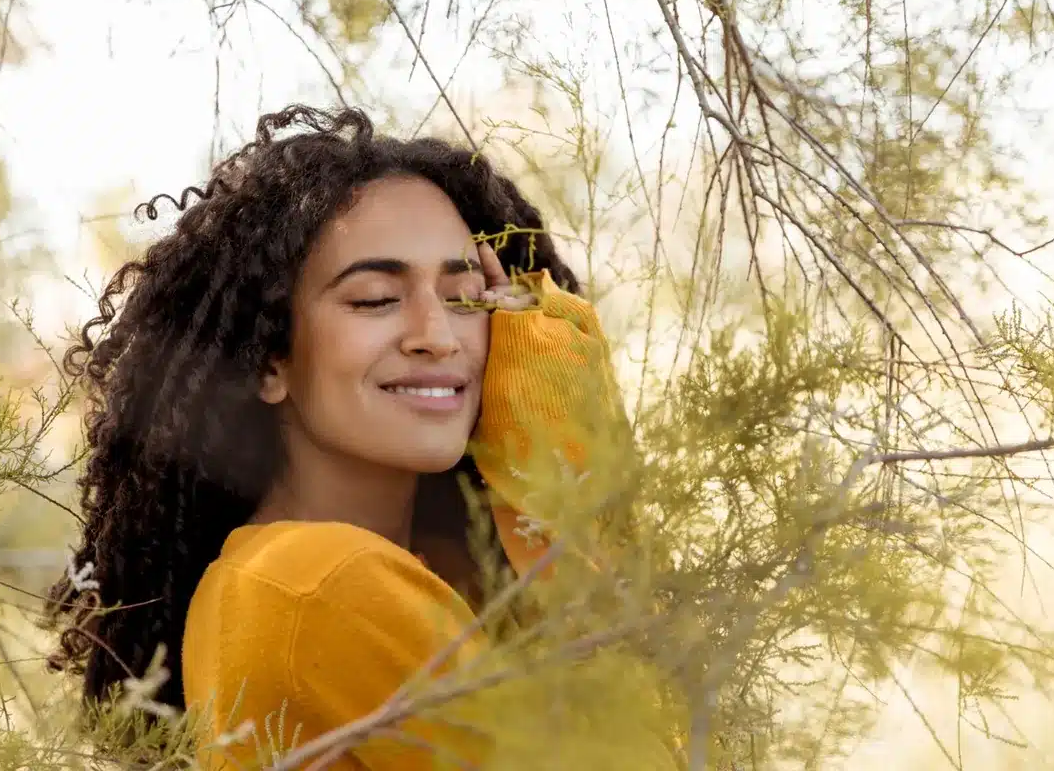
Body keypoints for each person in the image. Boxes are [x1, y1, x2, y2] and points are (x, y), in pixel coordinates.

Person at [42, 105, 627, 769]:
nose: (437, 335)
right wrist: (556, 449)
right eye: (375, 298)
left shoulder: (293, 575)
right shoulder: (323, 583)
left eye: (466, 298)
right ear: (268, 360)